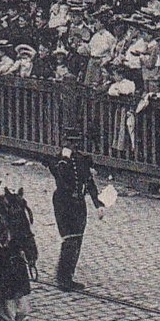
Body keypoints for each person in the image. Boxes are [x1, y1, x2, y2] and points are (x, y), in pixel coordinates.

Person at [47, 125, 102, 291]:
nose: (73, 146)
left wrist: (98, 204)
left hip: (79, 204)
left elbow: (89, 183)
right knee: (69, 239)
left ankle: (67, 274)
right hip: (63, 203)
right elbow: (60, 175)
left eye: (76, 143)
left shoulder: (83, 160)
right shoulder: (57, 161)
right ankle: (63, 278)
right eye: (70, 143)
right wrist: (64, 159)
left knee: (77, 239)